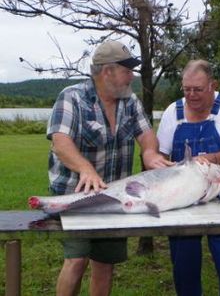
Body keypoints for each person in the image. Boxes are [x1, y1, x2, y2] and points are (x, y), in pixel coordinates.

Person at [47, 40, 172, 296]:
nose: (132, 76)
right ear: (107, 72)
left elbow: (146, 134)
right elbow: (61, 142)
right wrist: (86, 168)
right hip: (76, 197)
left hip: (116, 197)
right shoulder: (72, 97)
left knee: (105, 264)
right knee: (76, 260)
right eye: (127, 70)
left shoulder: (130, 101)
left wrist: (149, 152)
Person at [157, 59, 220, 296]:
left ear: (213, 85)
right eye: (186, 89)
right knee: (184, 267)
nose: (192, 95)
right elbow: (160, 155)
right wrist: (158, 163)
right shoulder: (173, 112)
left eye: (198, 89)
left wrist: (206, 159)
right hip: (181, 199)